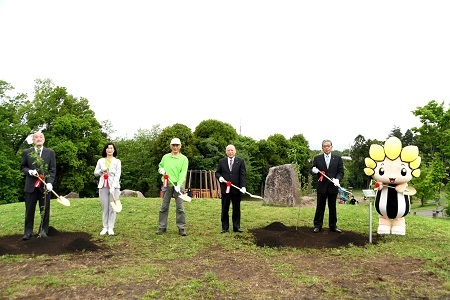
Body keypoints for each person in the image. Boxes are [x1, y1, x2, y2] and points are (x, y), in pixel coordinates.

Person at [20, 131, 56, 240]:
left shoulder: (50, 152)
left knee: (45, 209)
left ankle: (43, 231)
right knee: (29, 210)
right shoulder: (27, 152)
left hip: (44, 187)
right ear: (33, 140)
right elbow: (23, 167)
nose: (39, 139)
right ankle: (28, 232)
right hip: (31, 186)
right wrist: (30, 171)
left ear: (44, 139)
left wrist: (50, 182)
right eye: (36, 137)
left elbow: (52, 169)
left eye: (41, 137)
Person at [310, 139, 344, 233]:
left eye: (328, 146)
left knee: (332, 207)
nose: (326, 148)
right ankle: (317, 226)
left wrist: (337, 179)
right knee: (320, 207)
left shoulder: (337, 158)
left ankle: (333, 226)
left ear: (331, 147)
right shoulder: (317, 158)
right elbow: (312, 171)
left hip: (333, 187)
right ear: (322, 148)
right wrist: (314, 170)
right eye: (324, 146)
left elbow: (341, 172)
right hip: (322, 187)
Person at [156, 138, 189, 236]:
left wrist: (179, 184)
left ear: (180, 146)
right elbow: (160, 166)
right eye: (173, 145)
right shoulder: (165, 157)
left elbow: (183, 173)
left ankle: (181, 228)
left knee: (180, 208)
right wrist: (161, 170)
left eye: (177, 145)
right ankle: (162, 227)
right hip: (167, 185)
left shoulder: (184, 159)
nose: (175, 147)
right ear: (171, 146)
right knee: (164, 207)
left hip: (178, 186)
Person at [215, 144, 247, 233]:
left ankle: (236, 227)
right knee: (225, 208)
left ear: (235, 151)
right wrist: (220, 177)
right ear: (226, 152)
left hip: (236, 190)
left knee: (236, 208)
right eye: (228, 150)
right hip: (225, 189)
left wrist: (243, 186)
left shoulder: (240, 161)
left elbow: (243, 174)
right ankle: (224, 228)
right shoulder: (222, 161)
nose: (230, 152)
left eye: (232, 150)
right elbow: (217, 173)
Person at [94, 142, 122, 236]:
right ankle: (105, 227)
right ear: (105, 150)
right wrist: (101, 170)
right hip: (103, 186)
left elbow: (118, 175)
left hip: (114, 187)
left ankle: (111, 227)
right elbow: (95, 173)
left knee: (112, 207)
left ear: (114, 150)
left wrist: (113, 187)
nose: (109, 150)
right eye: (108, 148)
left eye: (111, 148)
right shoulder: (100, 161)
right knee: (105, 207)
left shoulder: (117, 161)